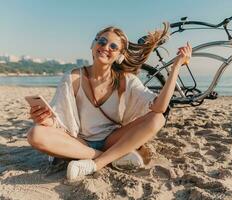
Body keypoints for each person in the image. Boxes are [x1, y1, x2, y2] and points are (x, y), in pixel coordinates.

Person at [26, 22, 192, 180]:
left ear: (119, 56)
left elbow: (160, 107)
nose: (105, 47)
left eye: (113, 46)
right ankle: (111, 158)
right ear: (93, 45)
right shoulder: (73, 77)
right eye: (102, 41)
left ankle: (97, 164)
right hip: (79, 141)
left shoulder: (127, 80)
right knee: (36, 133)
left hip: (111, 140)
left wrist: (176, 67)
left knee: (158, 118)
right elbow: (58, 119)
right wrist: (44, 118)